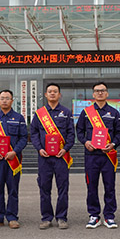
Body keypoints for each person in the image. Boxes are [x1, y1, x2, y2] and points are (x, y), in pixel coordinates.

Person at [76, 82, 120, 229]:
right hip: (91, 156)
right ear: (93, 94)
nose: (100, 93)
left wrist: (113, 144)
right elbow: (79, 131)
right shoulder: (86, 112)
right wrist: (85, 142)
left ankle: (109, 216)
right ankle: (94, 215)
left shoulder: (114, 113)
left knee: (110, 186)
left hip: (108, 156)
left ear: (107, 93)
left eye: (102, 90)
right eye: (97, 91)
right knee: (91, 186)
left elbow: (119, 133)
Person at [30, 83, 75, 230]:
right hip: (44, 157)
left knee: (63, 188)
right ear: (46, 94)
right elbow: (34, 133)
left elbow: (71, 134)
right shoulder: (39, 114)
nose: (52, 93)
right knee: (44, 187)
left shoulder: (66, 112)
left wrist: (66, 149)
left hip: (61, 157)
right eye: (50, 91)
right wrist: (39, 148)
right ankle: (46, 218)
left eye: (55, 91)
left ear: (59, 95)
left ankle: (62, 217)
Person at [0, 90, 28, 229]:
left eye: (7, 98)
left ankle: (12, 217)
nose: (4, 100)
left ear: (12, 101)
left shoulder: (19, 118)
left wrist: (14, 151)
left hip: (13, 160)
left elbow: (23, 138)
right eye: (2, 98)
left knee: (13, 189)